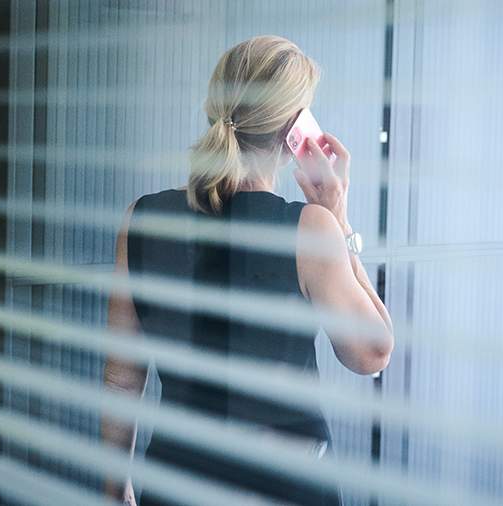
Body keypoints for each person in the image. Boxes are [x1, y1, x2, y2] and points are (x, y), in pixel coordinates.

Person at [101, 35, 395, 506]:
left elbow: (122, 379)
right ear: (294, 132)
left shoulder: (141, 218)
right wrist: (339, 219)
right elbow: (372, 353)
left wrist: (116, 493)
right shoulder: (308, 229)